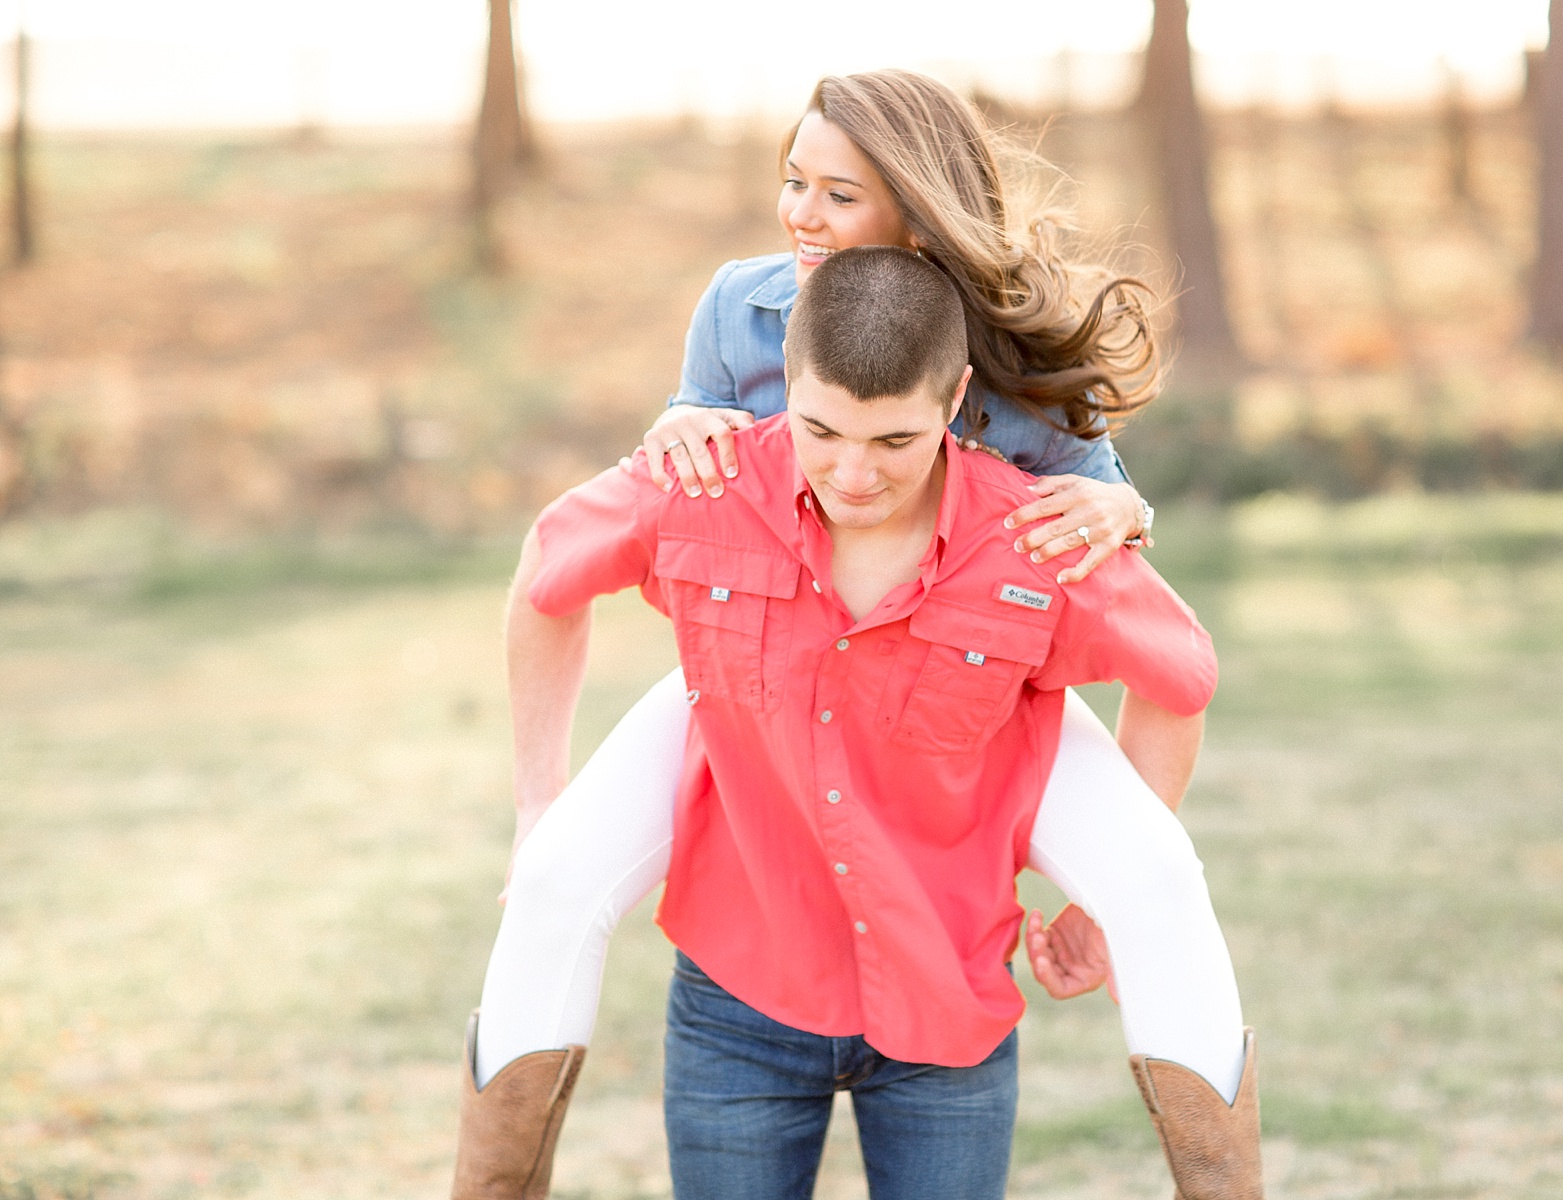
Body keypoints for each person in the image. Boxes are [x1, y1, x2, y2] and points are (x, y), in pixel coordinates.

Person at [451, 71, 1260, 1199]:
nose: (801, 216)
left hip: (979, 657)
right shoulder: (745, 304)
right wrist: (680, 424)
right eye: (794, 182)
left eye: (838, 195)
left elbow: (1105, 498)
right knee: (554, 880)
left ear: (921, 214)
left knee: (1160, 877)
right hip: (763, 661)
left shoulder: (1009, 353)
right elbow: (659, 477)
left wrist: (1126, 510)